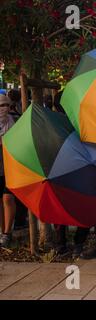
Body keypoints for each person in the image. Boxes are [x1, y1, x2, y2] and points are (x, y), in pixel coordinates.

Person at [0, 95, 17, 248]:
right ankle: (2, 232)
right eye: (0, 105)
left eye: (6, 105)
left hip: (10, 168)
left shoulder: (14, 122)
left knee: (7, 199)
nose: (3, 108)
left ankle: (7, 233)